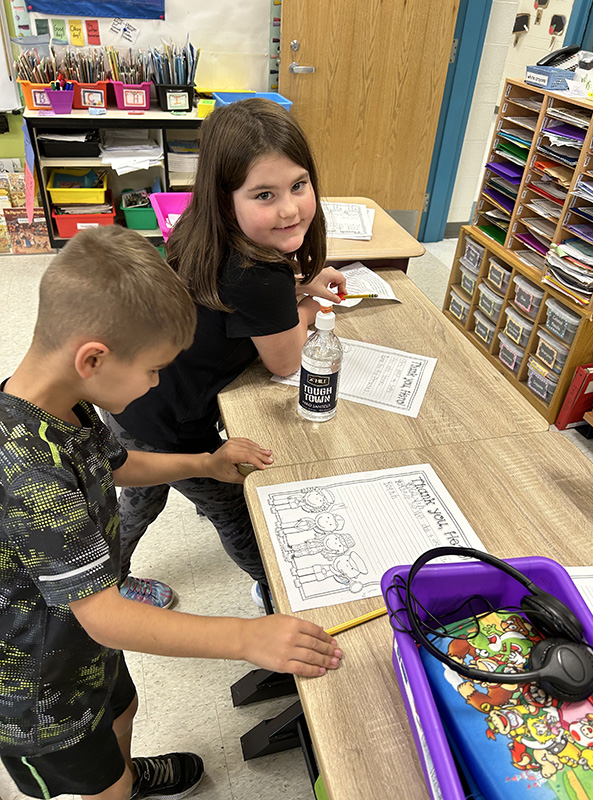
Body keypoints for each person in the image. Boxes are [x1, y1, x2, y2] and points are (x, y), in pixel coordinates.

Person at [0, 226, 343, 800]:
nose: (158, 382)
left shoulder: (61, 400)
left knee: (122, 710)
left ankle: (126, 777)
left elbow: (115, 462)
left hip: (81, 650)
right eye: (154, 368)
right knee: (96, 784)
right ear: (94, 358)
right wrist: (245, 637)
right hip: (39, 695)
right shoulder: (27, 471)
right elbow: (106, 615)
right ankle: (115, 787)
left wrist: (205, 463)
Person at [104, 98, 347, 608]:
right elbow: (285, 360)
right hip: (171, 420)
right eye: (265, 194)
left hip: (132, 396)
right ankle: (278, 592)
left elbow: (238, 309)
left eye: (298, 185)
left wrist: (298, 295)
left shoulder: (204, 227)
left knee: (139, 496)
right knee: (236, 514)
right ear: (226, 196)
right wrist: (304, 308)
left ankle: (112, 573)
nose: (288, 208)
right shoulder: (260, 272)